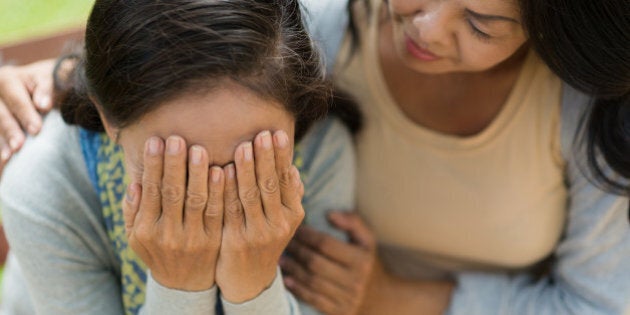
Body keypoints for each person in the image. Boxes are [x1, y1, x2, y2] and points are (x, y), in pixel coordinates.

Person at [0, 0, 629, 314]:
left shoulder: (318, 145)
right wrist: (179, 283)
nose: (427, 28)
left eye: (483, 22)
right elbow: (181, 47)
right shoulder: (320, 30)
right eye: (177, 165)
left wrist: (390, 296)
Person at [0, 0, 356, 314]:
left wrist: (253, 287)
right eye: (179, 166)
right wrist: (179, 285)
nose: (210, 197)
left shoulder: (323, 153)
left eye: (250, 162)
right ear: (109, 119)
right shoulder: (45, 184)